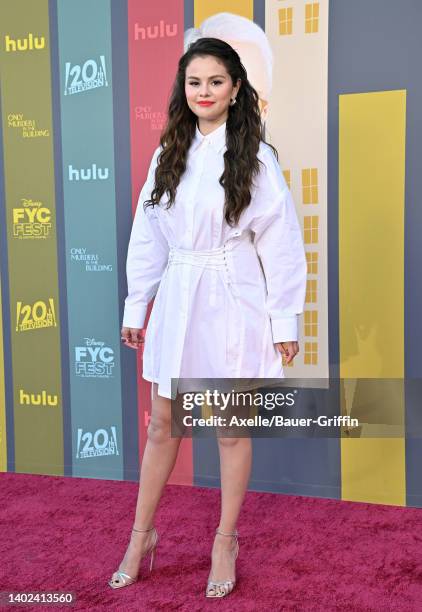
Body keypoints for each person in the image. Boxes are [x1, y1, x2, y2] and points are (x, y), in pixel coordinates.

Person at [109, 37, 307, 598]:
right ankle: (141, 535)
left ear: (236, 88)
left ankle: (225, 540)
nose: (204, 92)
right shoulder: (167, 153)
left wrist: (284, 321)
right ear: (183, 88)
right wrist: (136, 302)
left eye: (215, 82)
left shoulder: (256, 158)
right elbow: (147, 234)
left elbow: (282, 243)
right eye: (194, 82)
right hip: (178, 293)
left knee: (227, 426)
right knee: (162, 424)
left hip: (233, 295)